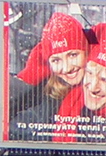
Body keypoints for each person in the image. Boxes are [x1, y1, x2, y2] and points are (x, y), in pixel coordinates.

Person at [8, 11, 90, 140]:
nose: (67, 68)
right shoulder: (44, 98)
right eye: (56, 60)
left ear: (87, 52)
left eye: (73, 55)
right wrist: (29, 77)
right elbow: (8, 126)